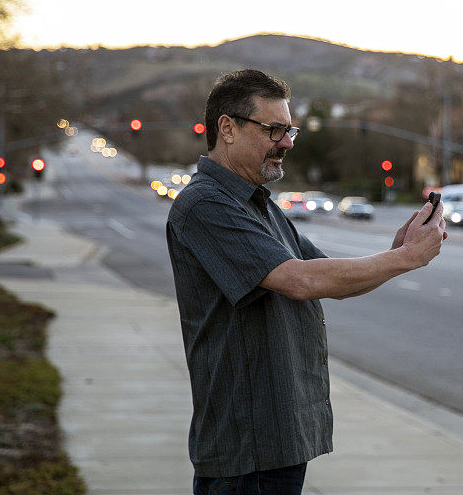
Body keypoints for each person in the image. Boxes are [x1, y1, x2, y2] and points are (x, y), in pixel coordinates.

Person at [166, 69, 447, 495]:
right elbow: (298, 281)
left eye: (289, 129)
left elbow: (327, 277)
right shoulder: (205, 204)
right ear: (227, 128)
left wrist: (396, 255)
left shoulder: (259, 206)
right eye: (274, 129)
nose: (288, 143)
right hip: (247, 451)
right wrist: (405, 258)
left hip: (274, 445)